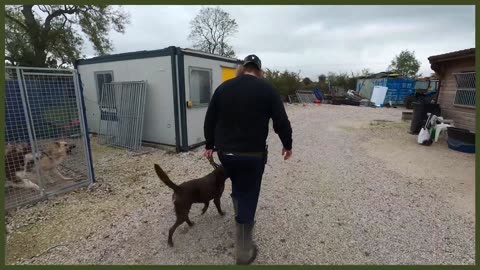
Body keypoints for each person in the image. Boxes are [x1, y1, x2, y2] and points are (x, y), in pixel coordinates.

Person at [203, 54, 293, 265]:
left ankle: (239, 214)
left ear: (242, 68)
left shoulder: (224, 88)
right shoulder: (267, 89)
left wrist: (209, 144)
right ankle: (243, 251)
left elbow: (210, 118)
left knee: (237, 183)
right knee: (249, 193)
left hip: (226, 154)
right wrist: (287, 144)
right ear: (259, 71)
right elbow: (281, 121)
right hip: (253, 156)